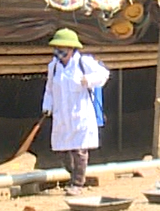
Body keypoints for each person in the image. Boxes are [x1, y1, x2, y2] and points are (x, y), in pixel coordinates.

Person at [41, 27, 110, 196]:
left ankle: (78, 183)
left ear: (72, 49)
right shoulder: (54, 66)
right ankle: (74, 176)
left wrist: (89, 80)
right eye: (57, 47)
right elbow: (49, 88)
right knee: (62, 149)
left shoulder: (84, 62)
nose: (59, 51)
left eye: (63, 47)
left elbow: (104, 74)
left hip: (80, 114)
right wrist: (47, 106)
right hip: (61, 115)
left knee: (79, 150)